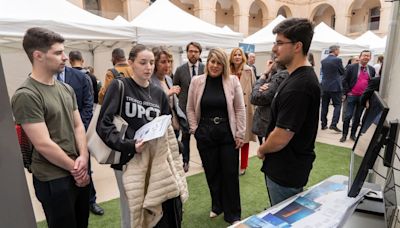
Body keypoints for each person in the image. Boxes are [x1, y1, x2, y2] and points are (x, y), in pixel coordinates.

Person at [97, 44, 184, 228]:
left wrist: (176, 147)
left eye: (152, 62)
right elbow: (103, 125)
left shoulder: (159, 93)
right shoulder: (120, 86)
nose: (149, 67)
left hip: (151, 161)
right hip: (126, 160)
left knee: (151, 211)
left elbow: (165, 127)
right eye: (143, 62)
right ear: (131, 63)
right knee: (130, 214)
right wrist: (129, 144)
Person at [11, 27, 90, 228]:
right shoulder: (26, 95)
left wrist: (83, 157)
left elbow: (78, 125)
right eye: (57, 53)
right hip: (53, 179)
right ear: (38, 55)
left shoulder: (66, 88)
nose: (65, 57)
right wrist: (76, 169)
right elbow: (43, 144)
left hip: (76, 171)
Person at [257, 18, 320, 206]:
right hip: (284, 168)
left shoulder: (300, 85)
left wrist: (262, 149)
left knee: (284, 217)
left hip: (286, 171)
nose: (275, 48)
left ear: (297, 46)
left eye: (279, 43)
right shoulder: (294, 77)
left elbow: (281, 136)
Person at [187, 48, 245, 225]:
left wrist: (240, 133)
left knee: (230, 173)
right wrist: (195, 130)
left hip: (228, 133)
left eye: (219, 63)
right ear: (208, 62)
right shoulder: (197, 81)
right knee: (212, 172)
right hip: (205, 132)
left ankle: (233, 213)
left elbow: (239, 108)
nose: (215, 66)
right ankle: (217, 205)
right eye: (212, 61)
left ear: (224, 65)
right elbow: (190, 107)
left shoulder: (233, 81)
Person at [68, 50, 104, 215]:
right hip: (61, 135)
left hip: (81, 131)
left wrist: (80, 130)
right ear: (81, 59)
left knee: (85, 166)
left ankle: (90, 200)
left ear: (69, 60)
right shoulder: (53, 77)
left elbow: (89, 105)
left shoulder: (84, 77)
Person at [173, 41, 205, 172]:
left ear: (199, 53)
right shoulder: (180, 70)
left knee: (202, 137)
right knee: (185, 137)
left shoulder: (205, 68)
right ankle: (185, 161)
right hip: (185, 109)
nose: (193, 54)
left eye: (196, 51)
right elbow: (175, 87)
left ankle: (205, 159)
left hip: (203, 109)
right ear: (187, 53)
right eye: (191, 51)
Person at [229, 47, 256, 176]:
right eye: (235, 54)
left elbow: (254, 88)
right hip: (231, 108)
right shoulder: (227, 71)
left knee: (244, 139)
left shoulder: (249, 70)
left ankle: (243, 165)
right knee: (232, 138)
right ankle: (232, 164)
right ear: (232, 57)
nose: (238, 57)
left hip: (245, 108)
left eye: (240, 54)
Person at [150, 46, 187, 137]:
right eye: (163, 62)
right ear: (155, 63)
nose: (167, 65)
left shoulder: (168, 79)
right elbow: (150, 103)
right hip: (160, 128)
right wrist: (168, 94)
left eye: (169, 61)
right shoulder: (149, 81)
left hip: (173, 126)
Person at [251, 58, 289, 146]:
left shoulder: (282, 76)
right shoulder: (280, 75)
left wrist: (264, 75)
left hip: (271, 125)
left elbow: (255, 98)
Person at [340, 50, 375, 142]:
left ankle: (353, 135)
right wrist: (347, 92)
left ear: (370, 58)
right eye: (364, 55)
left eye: (368, 56)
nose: (366, 57)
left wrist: (368, 98)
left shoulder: (371, 69)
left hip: (363, 98)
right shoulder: (351, 67)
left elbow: (371, 84)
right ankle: (344, 135)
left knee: (357, 117)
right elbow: (344, 80)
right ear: (360, 57)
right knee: (348, 116)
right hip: (351, 96)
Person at [320, 45, 345, 132]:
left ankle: (323, 124)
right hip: (335, 86)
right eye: (339, 50)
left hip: (325, 86)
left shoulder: (323, 61)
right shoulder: (338, 60)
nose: (339, 52)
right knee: (338, 105)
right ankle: (333, 124)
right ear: (335, 50)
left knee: (324, 106)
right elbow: (342, 72)